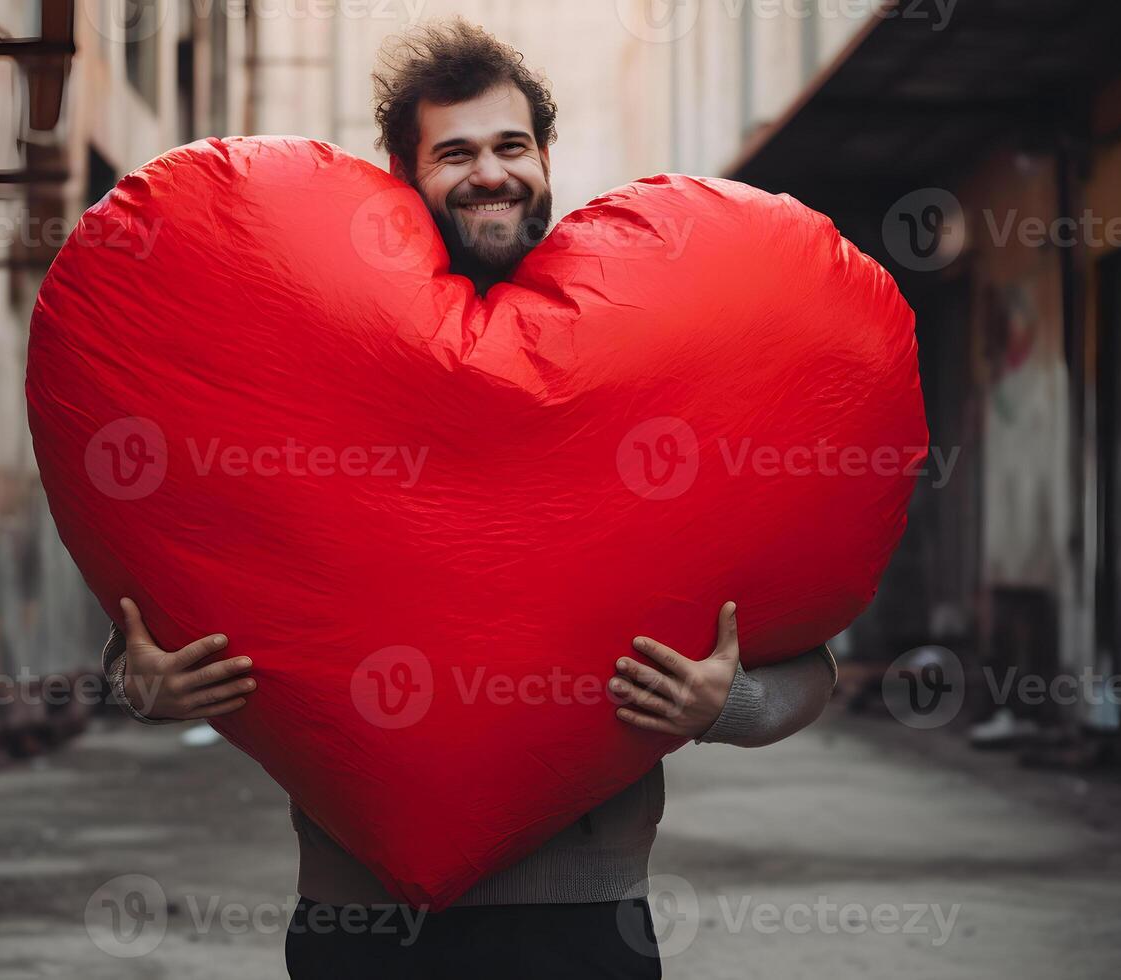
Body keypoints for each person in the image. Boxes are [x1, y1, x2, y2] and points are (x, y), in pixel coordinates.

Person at [100, 18, 838, 980]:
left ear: (543, 156)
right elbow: (182, 574)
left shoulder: (644, 346)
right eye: (454, 153)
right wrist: (137, 687)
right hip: (360, 932)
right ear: (402, 173)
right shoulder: (326, 340)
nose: (490, 172)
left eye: (510, 146)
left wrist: (725, 701)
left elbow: (808, 663)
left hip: (581, 929)